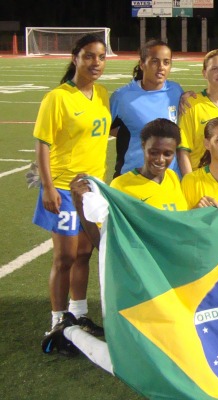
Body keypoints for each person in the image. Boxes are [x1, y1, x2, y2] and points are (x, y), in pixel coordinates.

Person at [42, 118, 188, 363]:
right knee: (134, 357)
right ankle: (68, 330)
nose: (160, 159)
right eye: (154, 152)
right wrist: (80, 206)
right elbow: (103, 243)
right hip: (139, 282)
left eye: (167, 153)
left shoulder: (174, 180)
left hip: (168, 278)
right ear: (142, 146)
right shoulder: (122, 186)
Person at [33, 34, 110, 343]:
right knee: (64, 257)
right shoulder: (58, 97)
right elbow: (42, 145)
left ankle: (78, 314)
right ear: (75, 57)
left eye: (101, 57)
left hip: (92, 190)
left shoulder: (102, 94)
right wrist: (48, 187)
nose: (96, 62)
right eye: (89, 56)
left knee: (84, 254)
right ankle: (57, 320)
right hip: (64, 188)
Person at [110, 39, 185, 178]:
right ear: (142, 64)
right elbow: (105, 127)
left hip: (170, 180)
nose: (161, 67)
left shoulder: (176, 91)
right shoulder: (123, 97)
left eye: (166, 62)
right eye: (155, 61)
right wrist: (132, 133)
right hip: (133, 178)